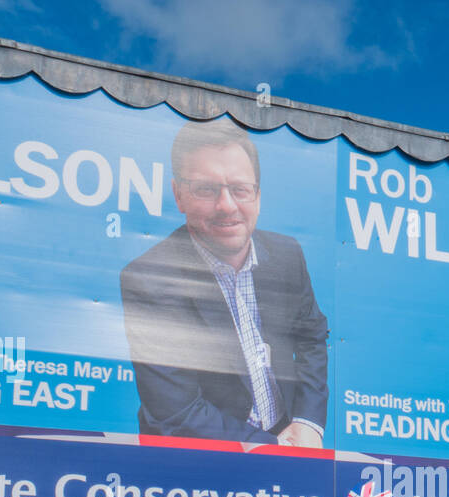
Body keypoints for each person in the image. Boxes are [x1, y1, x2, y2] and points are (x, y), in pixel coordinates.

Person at [120, 118, 329, 446]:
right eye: (206, 189)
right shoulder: (149, 280)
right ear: (178, 195)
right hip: (197, 464)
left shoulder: (288, 256)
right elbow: (176, 415)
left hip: (286, 437)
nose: (226, 205)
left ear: (257, 197)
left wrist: (307, 422)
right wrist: (277, 450)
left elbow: (312, 338)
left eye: (240, 189)